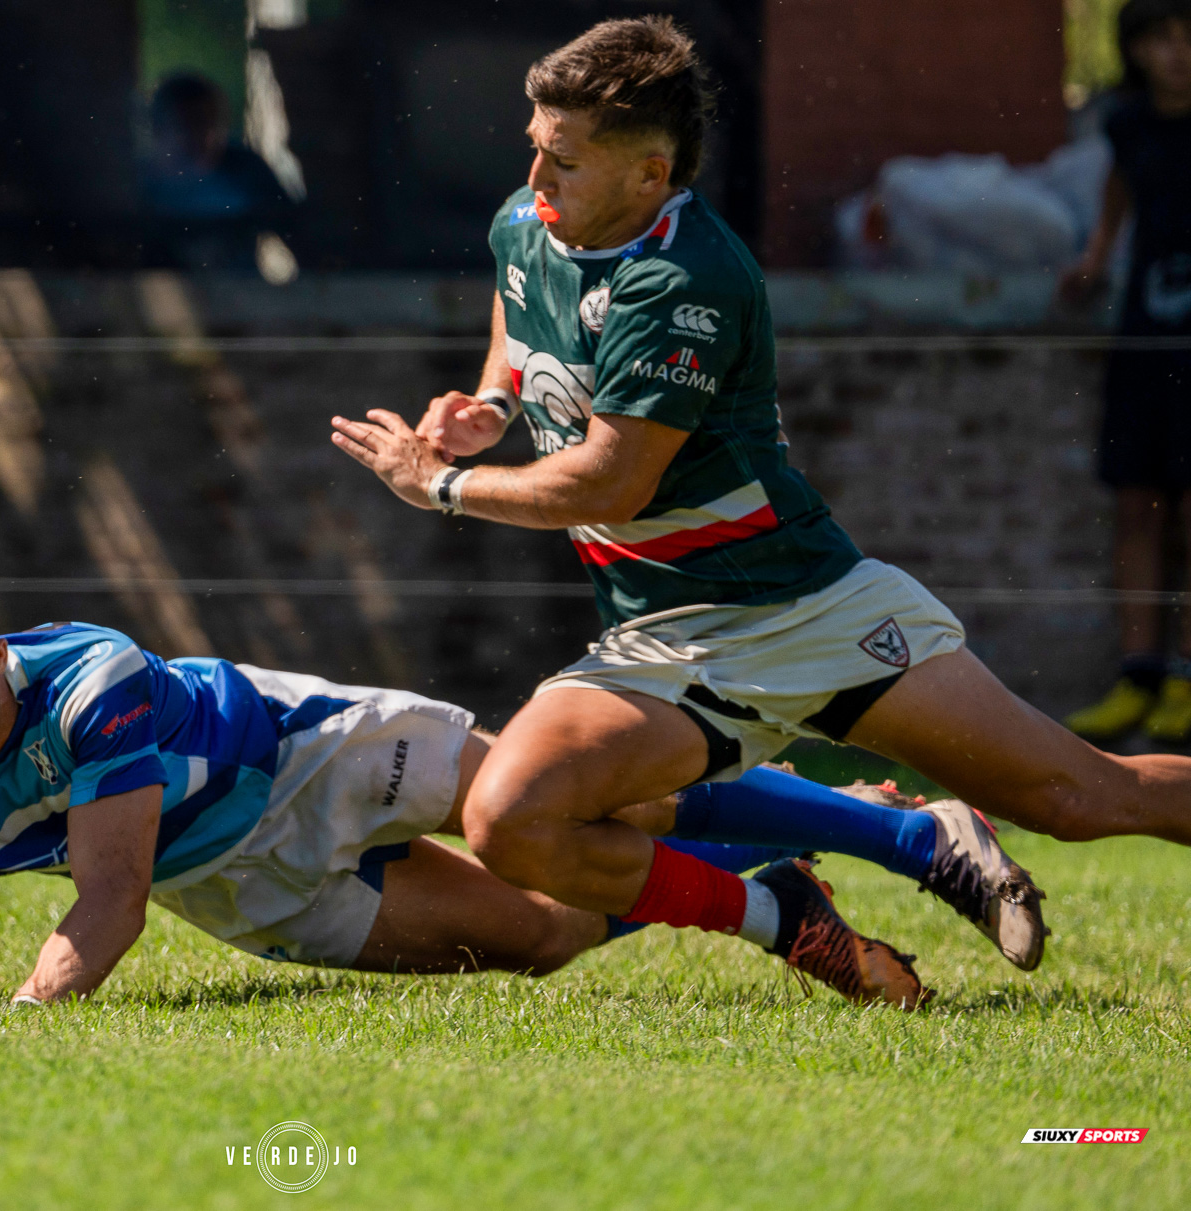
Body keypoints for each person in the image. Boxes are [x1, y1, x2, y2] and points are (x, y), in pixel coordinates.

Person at [330, 16, 1191, 961]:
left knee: (1077, 799)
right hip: (659, 636)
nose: (537, 178)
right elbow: (520, 296)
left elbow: (610, 482)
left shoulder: (687, 277)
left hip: (806, 607)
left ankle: (892, 839)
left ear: (650, 175)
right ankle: (797, 904)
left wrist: (443, 483)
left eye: (564, 162)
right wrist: (495, 403)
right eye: (534, 147)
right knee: (513, 818)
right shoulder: (529, 219)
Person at [0, 549, 940, 1008]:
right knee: (543, 934)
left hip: (309, 751)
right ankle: (777, 881)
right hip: (235, 877)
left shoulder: (89, 684)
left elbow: (110, 899)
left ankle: (897, 831)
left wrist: (18, 1031)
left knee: (577, 805)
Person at [1060, 0, 1191, 744]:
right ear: (1135, 49)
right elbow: (1120, 191)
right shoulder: (1129, 124)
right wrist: (1095, 258)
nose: (1177, 53)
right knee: (1137, 500)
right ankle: (1138, 675)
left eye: (1188, 37)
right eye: (1160, 39)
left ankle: (1186, 681)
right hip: (1145, 333)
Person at [141, 73, 297, 273]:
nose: (202, 135)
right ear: (158, 129)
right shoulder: (137, 182)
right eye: (185, 124)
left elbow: (296, 233)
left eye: (210, 122)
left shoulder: (247, 170)